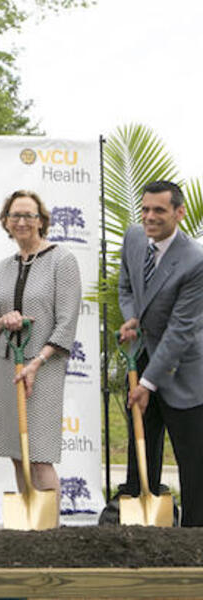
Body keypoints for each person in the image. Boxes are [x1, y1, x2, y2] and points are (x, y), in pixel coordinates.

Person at [0, 190, 81, 521]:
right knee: (16, 454)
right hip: (10, 364)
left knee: (38, 455)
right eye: (15, 216)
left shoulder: (61, 260)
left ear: (42, 221)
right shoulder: (3, 267)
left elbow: (67, 322)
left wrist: (38, 361)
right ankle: (27, 530)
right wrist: (3, 320)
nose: (21, 222)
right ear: (5, 222)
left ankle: (49, 530)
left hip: (43, 369)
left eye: (29, 215)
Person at [118, 180, 203, 527]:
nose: (150, 217)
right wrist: (132, 318)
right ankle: (143, 533)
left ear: (179, 213)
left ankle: (195, 538)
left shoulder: (195, 261)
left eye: (159, 211)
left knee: (193, 462)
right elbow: (126, 287)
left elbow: (181, 329)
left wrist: (148, 384)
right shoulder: (134, 237)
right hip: (141, 359)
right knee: (142, 451)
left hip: (182, 370)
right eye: (146, 209)